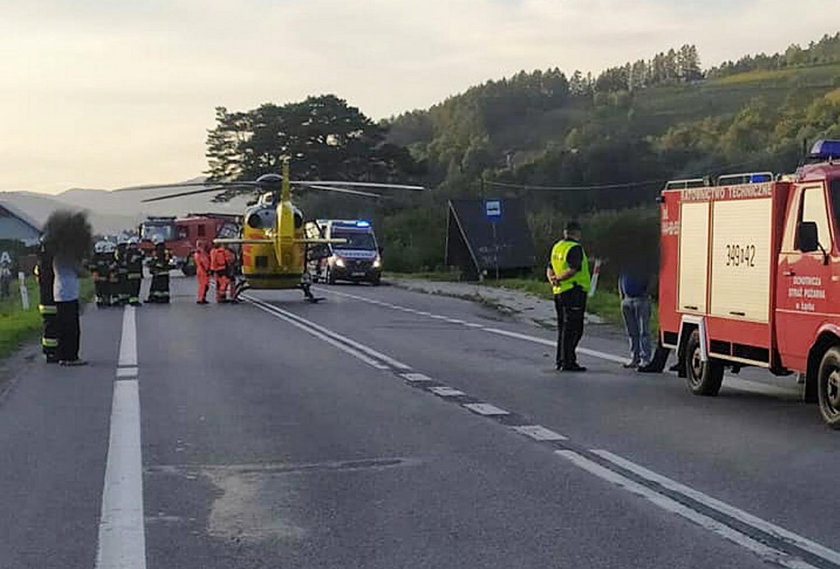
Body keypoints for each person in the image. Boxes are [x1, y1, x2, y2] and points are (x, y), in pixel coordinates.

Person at [42, 210, 92, 366]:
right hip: (69, 295)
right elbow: (82, 273)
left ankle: (63, 356)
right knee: (72, 328)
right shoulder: (67, 257)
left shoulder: (56, 257)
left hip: (59, 295)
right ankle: (71, 357)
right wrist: (86, 267)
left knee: (63, 327)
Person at [546, 221, 590, 372]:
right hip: (574, 290)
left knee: (563, 328)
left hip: (559, 292)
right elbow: (573, 269)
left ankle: (561, 359)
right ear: (577, 232)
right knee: (574, 329)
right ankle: (568, 361)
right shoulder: (574, 248)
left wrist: (552, 280)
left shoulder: (557, 247)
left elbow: (549, 268)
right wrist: (559, 279)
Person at [619, 269, 653, 370]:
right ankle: (635, 357)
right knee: (631, 331)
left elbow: (653, 277)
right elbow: (621, 277)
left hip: (641, 299)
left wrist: (647, 292)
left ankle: (645, 358)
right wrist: (622, 294)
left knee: (644, 331)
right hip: (627, 299)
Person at [34, 239, 59, 363]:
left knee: (49, 327)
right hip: (52, 299)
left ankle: (49, 352)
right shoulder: (51, 263)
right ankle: (53, 352)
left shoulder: (40, 263)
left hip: (44, 300)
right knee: (53, 327)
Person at [90, 241, 112, 307]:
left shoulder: (95, 257)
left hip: (101, 276)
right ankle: (102, 300)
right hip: (101, 277)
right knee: (102, 289)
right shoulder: (103, 257)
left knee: (101, 289)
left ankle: (102, 300)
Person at [125, 237, 144, 306]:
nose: (134, 246)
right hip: (132, 273)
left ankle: (134, 300)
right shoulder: (130, 253)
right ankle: (133, 301)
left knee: (136, 287)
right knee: (133, 288)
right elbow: (130, 261)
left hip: (136, 273)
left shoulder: (136, 252)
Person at [194, 240, 211, 304]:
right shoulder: (199, 252)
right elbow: (201, 262)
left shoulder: (202, 252)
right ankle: (201, 298)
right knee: (203, 285)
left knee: (205, 285)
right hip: (202, 270)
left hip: (203, 270)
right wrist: (206, 269)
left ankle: (202, 298)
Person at [113, 238, 129, 306]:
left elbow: (116, 259)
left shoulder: (118, 250)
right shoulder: (127, 250)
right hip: (126, 271)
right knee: (125, 285)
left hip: (119, 270)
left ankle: (119, 299)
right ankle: (125, 299)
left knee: (119, 286)